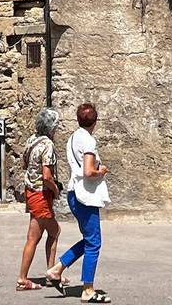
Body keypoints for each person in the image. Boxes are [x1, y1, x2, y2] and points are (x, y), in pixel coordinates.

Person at [46, 103, 110, 303]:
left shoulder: (73, 138)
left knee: (90, 240)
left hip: (75, 194)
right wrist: (102, 171)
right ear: (95, 121)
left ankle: (57, 269)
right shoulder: (89, 141)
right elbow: (88, 172)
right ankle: (88, 290)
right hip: (86, 197)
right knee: (94, 243)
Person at [17, 108, 62, 291]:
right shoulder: (48, 145)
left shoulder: (31, 140)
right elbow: (47, 176)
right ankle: (22, 279)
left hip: (31, 191)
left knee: (52, 232)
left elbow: (25, 163)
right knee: (35, 237)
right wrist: (56, 189)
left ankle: (52, 273)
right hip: (41, 194)